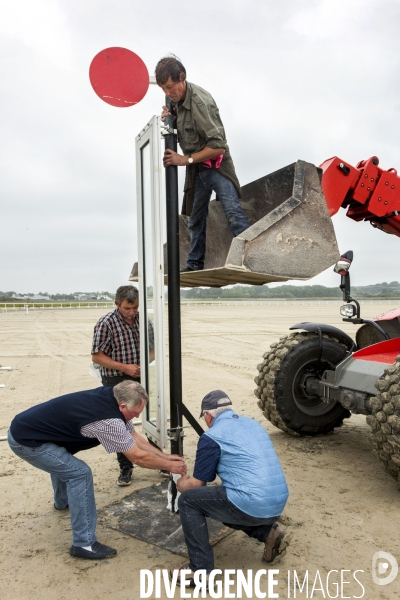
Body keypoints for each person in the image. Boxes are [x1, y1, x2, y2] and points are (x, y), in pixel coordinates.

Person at [8, 381, 186, 560]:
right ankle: (83, 543)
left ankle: (62, 502)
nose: (138, 415)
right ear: (122, 405)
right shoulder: (109, 420)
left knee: (65, 462)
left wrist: (165, 457)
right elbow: (136, 457)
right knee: (79, 473)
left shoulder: (113, 397)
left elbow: (134, 437)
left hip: (34, 430)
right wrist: (170, 466)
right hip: (27, 441)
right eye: (135, 412)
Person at [171, 390, 289, 584]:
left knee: (189, 501)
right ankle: (268, 533)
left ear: (208, 415)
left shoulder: (212, 436)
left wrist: (180, 481)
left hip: (252, 502)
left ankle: (200, 571)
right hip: (276, 501)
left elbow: (197, 485)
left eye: (204, 417)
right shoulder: (252, 423)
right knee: (221, 499)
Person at [155, 55, 251, 272]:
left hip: (216, 166)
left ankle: (251, 259)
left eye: (170, 87)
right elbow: (185, 126)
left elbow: (218, 146)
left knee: (233, 214)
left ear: (182, 78)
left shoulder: (200, 102)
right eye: (163, 89)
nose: (168, 93)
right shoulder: (175, 101)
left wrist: (184, 159)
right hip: (197, 170)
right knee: (195, 219)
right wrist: (170, 119)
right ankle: (194, 263)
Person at [92, 285, 154, 486]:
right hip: (114, 380)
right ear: (117, 304)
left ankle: (157, 457)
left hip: (139, 376)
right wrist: (124, 368)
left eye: (135, 307)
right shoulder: (106, 323)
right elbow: (97, 356)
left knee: (150, 416)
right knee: (119, 423)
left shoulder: (144, 321)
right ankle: (126, 467)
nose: (132, 312)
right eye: (128, 308)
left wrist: (144, 364)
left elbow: (153, 349)